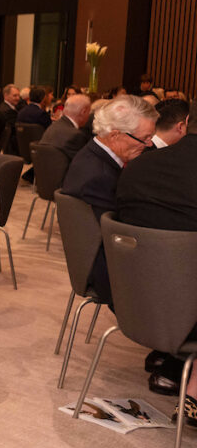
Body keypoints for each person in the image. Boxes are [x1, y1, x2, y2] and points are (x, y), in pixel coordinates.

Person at [116, 101, 197, 406]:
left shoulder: (138, 166)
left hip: (132, 298)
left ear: (187, 122)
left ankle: (174, 362)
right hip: (188, 311)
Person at [61, 95, 158, 309]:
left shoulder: (93, 155)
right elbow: (118, 238)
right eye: (146, 137)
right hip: (109, 273)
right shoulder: (99, 176)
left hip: (102, 257)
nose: (150, 144)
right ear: (115, 135)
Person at [39, 93, 92, 161]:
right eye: (89, 112)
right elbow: (82, 163)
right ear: (83, 112)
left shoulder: (53, 126)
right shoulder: (76, 135)